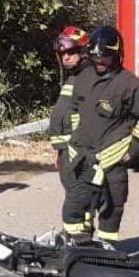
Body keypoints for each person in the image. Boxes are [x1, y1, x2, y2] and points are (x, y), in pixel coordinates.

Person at [61, 26, 139, 244]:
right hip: (81, 158)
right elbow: (75, 108)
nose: (99, 62)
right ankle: (78, 247)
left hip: (112, 160)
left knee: (111, 210)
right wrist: (75, 138)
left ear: (116, 56)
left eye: (104, 57)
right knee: (74, 209)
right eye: (95, 57)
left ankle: (107, 251)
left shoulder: (129, 84)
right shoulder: (84, 77)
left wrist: (134, 148)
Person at [47, 26, 95, 232]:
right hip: (66, 150)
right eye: (62, 53)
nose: (65, 57)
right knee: (76, 197)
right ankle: (80, 237)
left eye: (70, 52)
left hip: (79, 152)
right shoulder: (74, 77)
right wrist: (59, 150)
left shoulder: (89, 77)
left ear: (83, 51)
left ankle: (79, 238)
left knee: (78, 199)